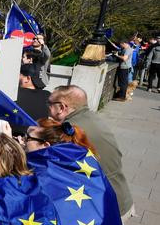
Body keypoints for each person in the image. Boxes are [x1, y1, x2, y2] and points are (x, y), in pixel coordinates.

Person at [47, 85, 133, 218]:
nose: (47, 107)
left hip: (105, 208)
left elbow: (51, 169)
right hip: (120, 196)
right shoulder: (90, 117)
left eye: (50, 103)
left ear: (62, 107)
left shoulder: (69, 130)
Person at [13, 63, 51, 136]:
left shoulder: (14, 93)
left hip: (11, 137)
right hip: (36, 139)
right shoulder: (48, 96)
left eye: (19, 75)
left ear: (27, 78)